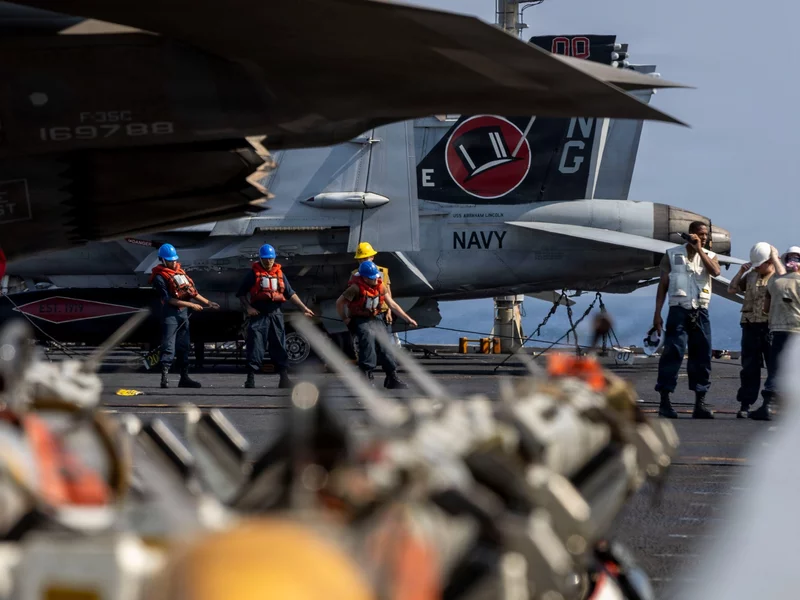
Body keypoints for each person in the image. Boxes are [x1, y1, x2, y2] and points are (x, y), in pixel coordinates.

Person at [652, 221, 721, 419]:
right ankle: (665, 401)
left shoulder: (710, 256)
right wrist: (657, 314)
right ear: (691, 234)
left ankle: (700, 402)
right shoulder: (672, 255)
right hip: (678, 310)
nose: (704, 237)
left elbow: (716, 272)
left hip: (700, 311)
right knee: (672, 353)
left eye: (706, 234)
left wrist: (699, 250)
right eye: (700, 234)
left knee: (702, 355)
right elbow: (663, 285)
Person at [237, 244, 315, 389]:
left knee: (279, 345)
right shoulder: (253, 274)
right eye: (265, 259)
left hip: (275, 314)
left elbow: (290, 293)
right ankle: (250, 379)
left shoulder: (279, 274)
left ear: (274, 258)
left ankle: (284, 379)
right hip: (259, 315)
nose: (268, 261)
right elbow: (241, 293)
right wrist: (249, 308)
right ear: (260, 259)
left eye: (271, 259)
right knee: (255, 346)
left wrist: (304, 308)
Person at [336, 261, 418, 389]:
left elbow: (392, 304)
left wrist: (408, 319)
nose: (375, 280)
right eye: (372, 278)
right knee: (367, 345)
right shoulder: (355, 288)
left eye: (376, 277)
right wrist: (345, 319)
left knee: (386, 347)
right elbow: (339, 303)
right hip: (360, 319)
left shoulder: (380, 286)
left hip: (377, 317)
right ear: (364, 278)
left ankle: (391, 377)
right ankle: (366, 377)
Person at [727, 242, 785, 418]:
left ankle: (772, 404)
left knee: (775, 368)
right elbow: (732, 289)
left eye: (760, 265)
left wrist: (776, 259)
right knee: (749, 368)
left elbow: (785, 282)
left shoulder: (779, 276)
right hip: (750, 325)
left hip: (770, 327)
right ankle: (745, 404)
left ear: (770, 261)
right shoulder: (751, 275)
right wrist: (740, 272)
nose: (757, 268)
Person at [150, 243, 219, 389]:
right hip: (170, 314)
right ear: (163, 260)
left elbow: (192, 293)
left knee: (184, 347)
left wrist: (209, 302)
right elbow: (169, 300)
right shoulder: (159, 277)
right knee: (169, 346)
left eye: (174, 260)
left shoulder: (181, 273)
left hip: (183, 314)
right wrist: (192, 305)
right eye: (170, 260)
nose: (173, 263)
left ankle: (184, 378)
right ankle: (164, 377)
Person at [748, 246, 800, 421]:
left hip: (778, 330)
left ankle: (768, 407)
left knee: (776, 369)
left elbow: (765, 308)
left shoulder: (774, 281)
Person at [351, 242, 393, 325]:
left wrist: (389, 312)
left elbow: (388, 293)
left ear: (372, 257)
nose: (362, 261)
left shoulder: (383, 272)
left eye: (365, 258)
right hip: (363, 316)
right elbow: (350, 298)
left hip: (382, 313)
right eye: (360, 259)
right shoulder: (354, 275)